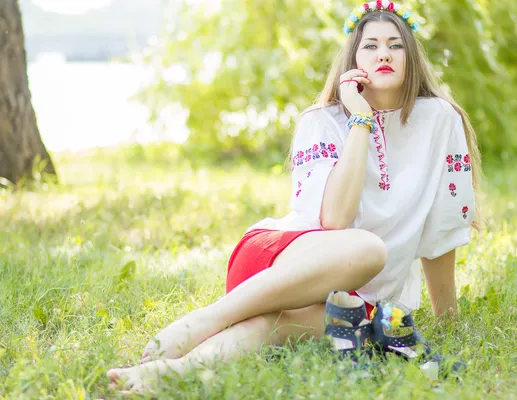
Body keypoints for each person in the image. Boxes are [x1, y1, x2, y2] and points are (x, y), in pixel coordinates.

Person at [107, 0, 481, 393]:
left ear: (412, 57)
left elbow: (441, 227)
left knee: (271, 328)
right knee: (368, 249)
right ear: (353, 58)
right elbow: (334, 220)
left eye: (395, 44)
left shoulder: (440, 118)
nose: (383, 53)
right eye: (370, 45)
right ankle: (205, 319)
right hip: (280, 263)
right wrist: (360, 120)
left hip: (355, 306)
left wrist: (448, 319)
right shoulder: (321, 121)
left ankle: (167, 373)